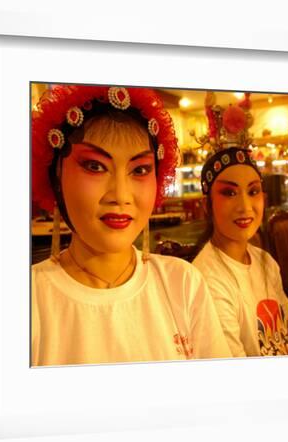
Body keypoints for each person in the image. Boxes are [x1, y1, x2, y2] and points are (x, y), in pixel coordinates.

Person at [31, 85, 231, 366]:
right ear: (57, 176)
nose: (121, 195)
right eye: (95, 166)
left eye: (139, 170)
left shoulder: (183, 284)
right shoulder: (27, 301)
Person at [192, 92, 288, 357]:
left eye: (253, 191)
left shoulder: (265, 261)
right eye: (229, 193)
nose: (245, 206)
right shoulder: (207, 280)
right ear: (206, 205)